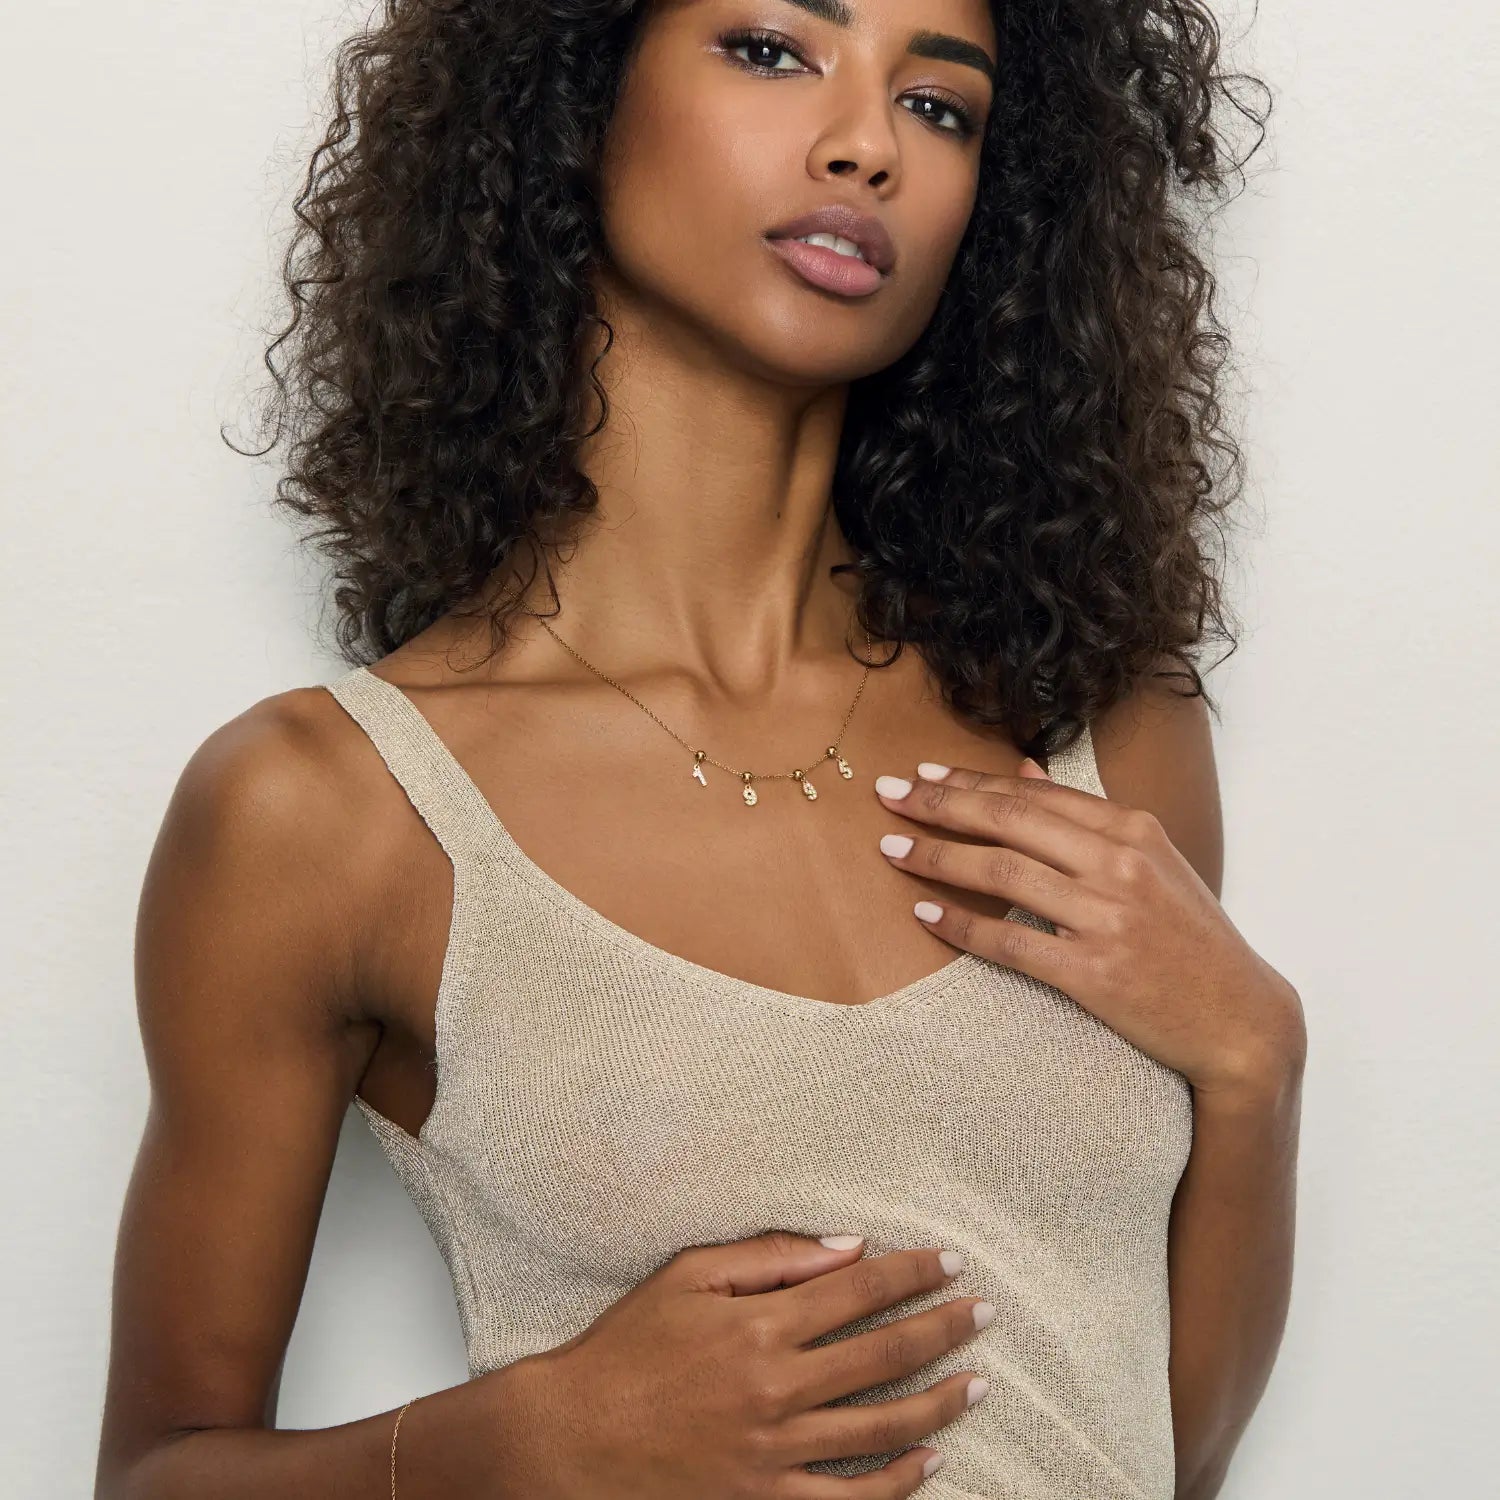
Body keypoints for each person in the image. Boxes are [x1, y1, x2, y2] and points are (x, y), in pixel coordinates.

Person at [95, 1, 1304, 1497]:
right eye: (773, 50)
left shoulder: (1097, 726)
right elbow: (157, 1474)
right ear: (576, 98)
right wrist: (532, 1440)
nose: (866, 145)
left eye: (940, 107)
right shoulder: (332, 811)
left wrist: (1257, 1063)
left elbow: (1166, 1456)